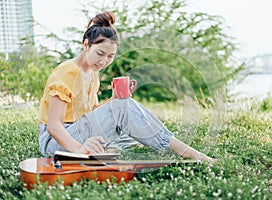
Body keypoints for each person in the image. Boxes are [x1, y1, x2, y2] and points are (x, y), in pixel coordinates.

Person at [38, 11, 216, 164]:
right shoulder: (68, 72)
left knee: (129, 125)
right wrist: (79, 149)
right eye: (100, 53)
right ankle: (186, 152)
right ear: (86, 45)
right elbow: (54, 126)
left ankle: (119, 146)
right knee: (125, 110)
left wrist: (113, 99)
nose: (104, 61)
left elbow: (91, 112)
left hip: (77, 130)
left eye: (110, 56)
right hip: (55, 142)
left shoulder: (92, 72)